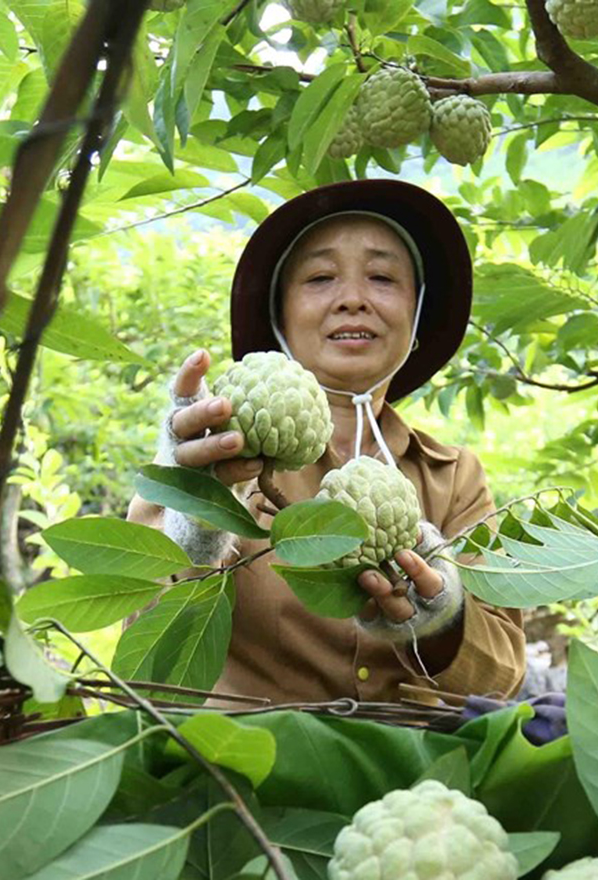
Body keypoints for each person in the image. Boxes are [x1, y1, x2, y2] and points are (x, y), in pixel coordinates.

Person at [127, 179, 525, 704]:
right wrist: (195, 513)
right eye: (320, 278)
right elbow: (149, 652)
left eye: (382, 278)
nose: (353, 301)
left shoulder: (453, 477)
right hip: (237, 767)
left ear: (415, 317)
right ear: (280, 314)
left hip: (416, 774)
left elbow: (503, 676)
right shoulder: (219, 450)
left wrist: (441, 611)